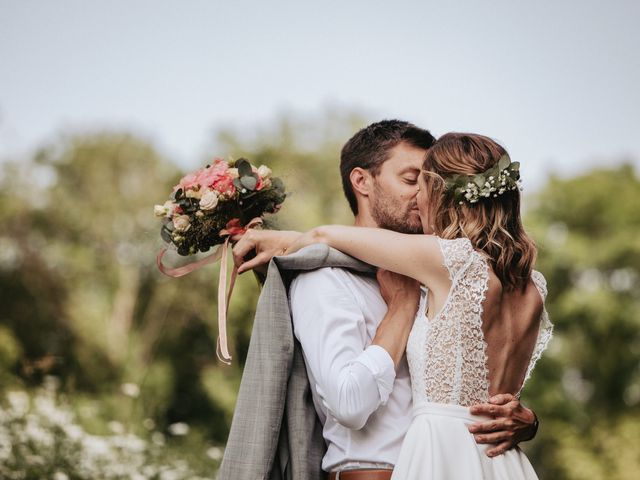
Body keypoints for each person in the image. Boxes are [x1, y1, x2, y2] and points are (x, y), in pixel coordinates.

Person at [228, 122, 541, 479]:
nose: (423, 196)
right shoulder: (326, 278)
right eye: (412, 180)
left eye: (430, 184)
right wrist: (401, 310)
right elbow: (349, 403)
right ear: (361, 181)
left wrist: (526, 422)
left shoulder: (442, 274)